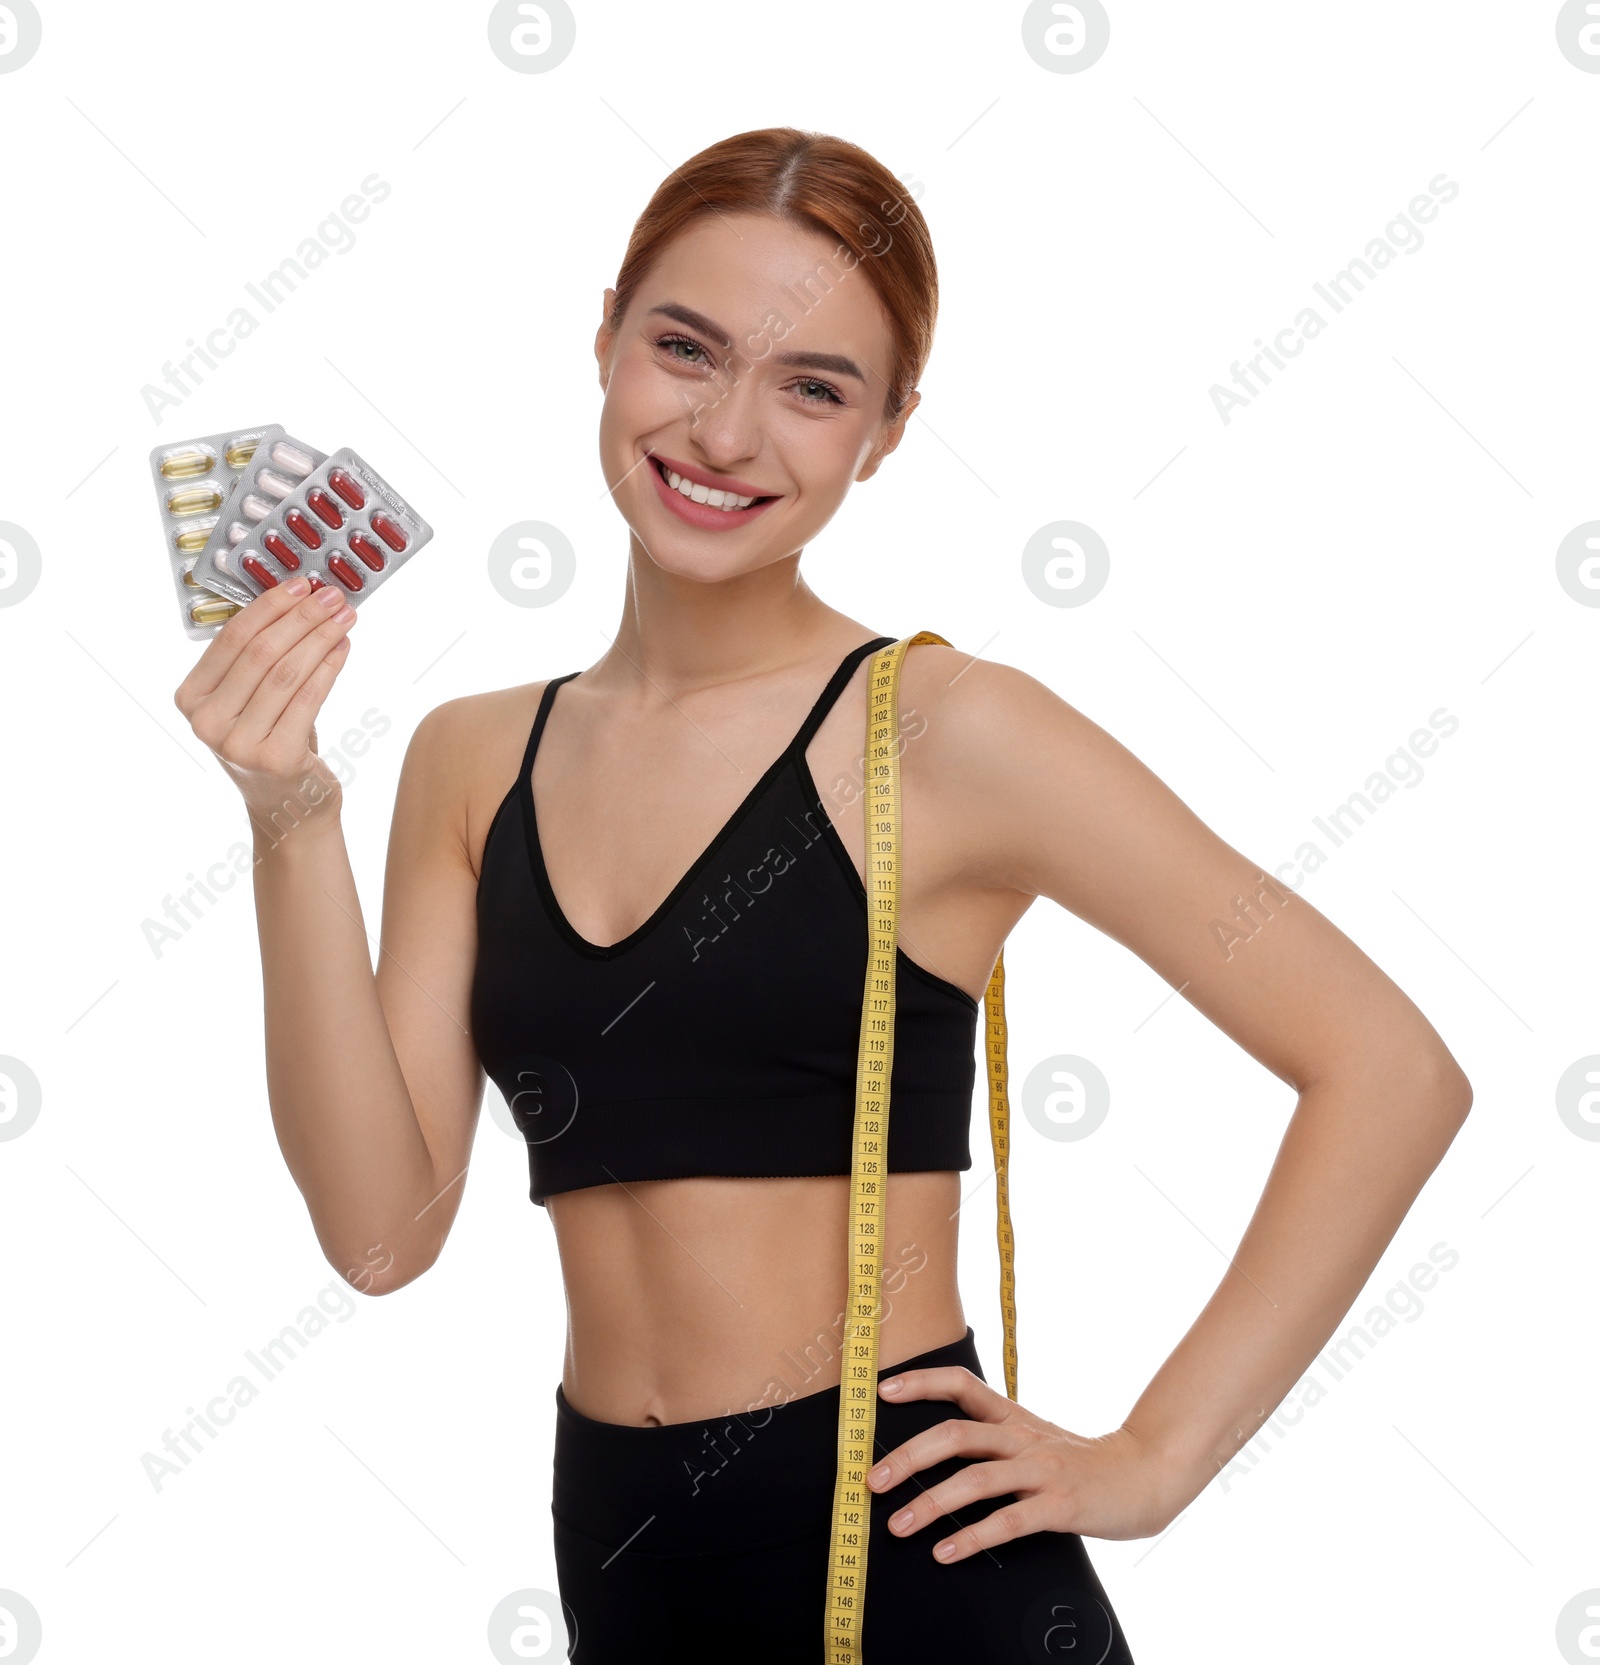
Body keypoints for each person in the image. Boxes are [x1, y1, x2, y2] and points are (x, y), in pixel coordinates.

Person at [173, 127, 1473, 1663]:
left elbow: (1391, 1070)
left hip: (919, 1555)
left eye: (814, 387)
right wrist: (290, 815)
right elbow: (381, 1235)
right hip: (621, 1554)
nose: (725, 432)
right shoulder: (472, 760)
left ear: (890, 429)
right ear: (603, 336)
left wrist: (1153, 1459)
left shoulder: (945, 731)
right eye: (684, 349)